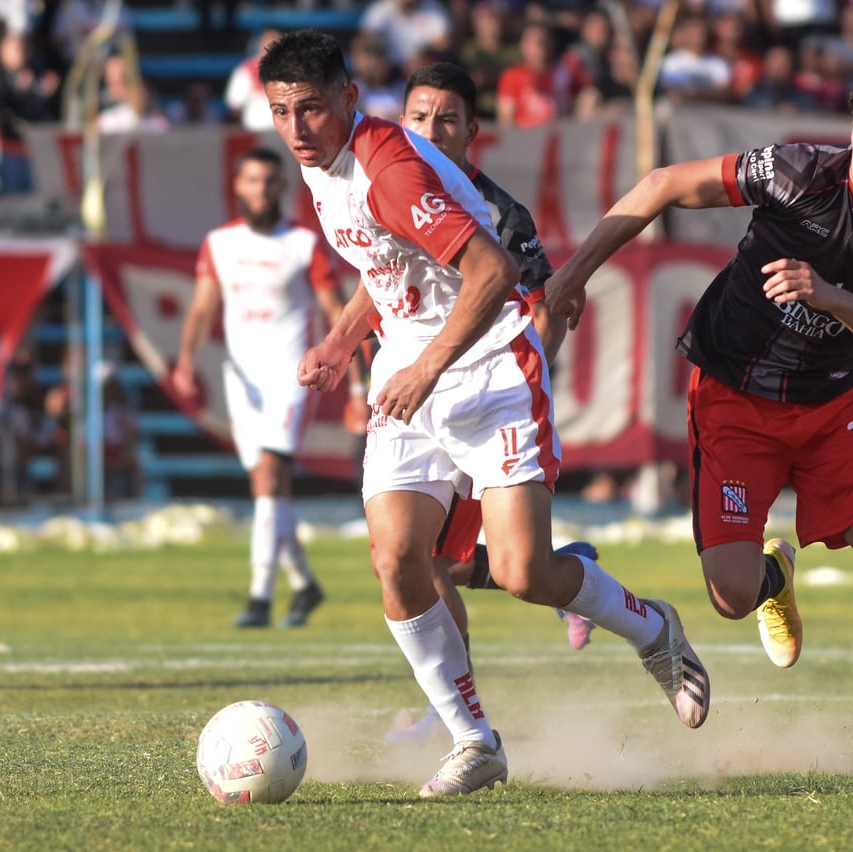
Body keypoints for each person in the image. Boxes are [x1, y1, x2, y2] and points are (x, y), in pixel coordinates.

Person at [257, 30, 710, 798]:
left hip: (490, 366)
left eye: (309, 109)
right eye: (280, 113)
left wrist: (428, 366)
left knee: (521, 573)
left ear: (347, 100)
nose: (296, 128)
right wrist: (342, 339)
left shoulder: (388, 170)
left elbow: (494, 272)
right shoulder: (322, 168)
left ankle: (653, 629)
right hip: (409, 374)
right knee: (399, 558)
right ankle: (474, 741)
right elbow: (386, 262)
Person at [546, 55, 853, 797]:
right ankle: (773, 575)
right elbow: (662, 186)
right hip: (732, 399)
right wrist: (571, 277)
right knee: (731, 597)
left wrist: (827, 293)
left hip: (832, 405)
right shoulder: (799, 170)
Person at [383, 60, 598, 744]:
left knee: (445, 563)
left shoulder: (500, 214)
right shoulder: (387, 192)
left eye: (446, 119)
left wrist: (515, 387)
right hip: (424, 405)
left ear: (473, 131)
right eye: (418, 117)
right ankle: (457, 711)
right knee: (427, 560)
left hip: (486, 401)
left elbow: (549, 307)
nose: (430, 130)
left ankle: (455, 716)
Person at [171, 146, 347, 630]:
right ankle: (305, 584)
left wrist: (359, 379)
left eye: (269, 182)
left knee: (269, 478)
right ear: (237, 185)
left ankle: (259, 596)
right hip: (240, 378)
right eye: (252, 180)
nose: (261, 190)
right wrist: (186, 361)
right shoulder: (219, 243)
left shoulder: (304, 244)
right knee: (270, 489)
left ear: (281, 187)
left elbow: (338, 311)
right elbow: (204, 307)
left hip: (291, 377)